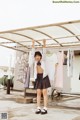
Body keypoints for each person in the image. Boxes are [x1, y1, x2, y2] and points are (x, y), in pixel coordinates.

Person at [29, 40, 51, 115]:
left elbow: (44, 52)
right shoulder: (34, 61)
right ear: (35, 57)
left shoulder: (43, 60)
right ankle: (38, 107)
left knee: (44, 92)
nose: (37, 57)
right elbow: (32, 53)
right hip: (38, 78)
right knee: (38, 93)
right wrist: (33, 44)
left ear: (40, 56)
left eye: (38, 56)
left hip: (44, 77)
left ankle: (45, 108)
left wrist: (44, 44)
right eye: (36, 56)